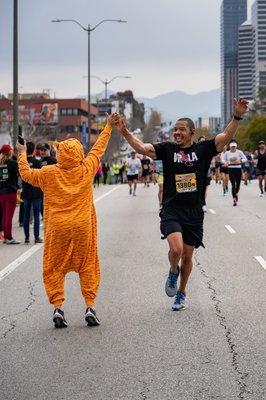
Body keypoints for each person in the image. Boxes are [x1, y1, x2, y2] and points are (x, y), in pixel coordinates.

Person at [117, 98, 248, 311]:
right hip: (172, 209)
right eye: (174, 129)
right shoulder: (167, 149)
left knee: (187, 257)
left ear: (191, 132)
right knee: (176, 250)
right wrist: (125, 132)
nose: (176, 133)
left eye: (181, 130)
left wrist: (237, 117)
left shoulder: (204, 149)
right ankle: (172, 271)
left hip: (194, 212)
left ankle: (182, 292)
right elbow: (142, 148)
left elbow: (225, 137)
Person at [17, 113, 119, 328]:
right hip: (83, 226)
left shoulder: (48, 172)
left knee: (54, 267)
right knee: (88, 264)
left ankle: (58, 308)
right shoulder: (87, 168)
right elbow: (99, 148)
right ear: (79, 154)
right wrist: (108, 126)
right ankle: (90, 306)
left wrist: (21, 152)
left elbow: (25, 174)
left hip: (58, 227)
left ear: (61, 154)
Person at [22, 142, 43, 244]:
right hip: (36, 192)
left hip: (26, 192)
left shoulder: (23, 162)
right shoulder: (37, 162)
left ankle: (26, 237)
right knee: (36, 215)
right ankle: (36, 237)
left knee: (26, 215)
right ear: (34, 150)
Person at [0, 144, 20, 244]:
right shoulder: (13, 163)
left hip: (1, 192)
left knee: (4, 215)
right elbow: (20, 174)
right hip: (10, 192)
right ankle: (9, 237)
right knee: (9, 216)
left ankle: (5, 236)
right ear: (10, 152)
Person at [221, 141, 247, 206]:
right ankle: (234, 199)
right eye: (232, 147)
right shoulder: (227, 153)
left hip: (238, 168)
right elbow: (223, 159)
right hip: (231, 169)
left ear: (236, 146)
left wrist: (240, 160)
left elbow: (245, 159)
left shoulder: (239, 152)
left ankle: (236, 194)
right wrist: (225, 162)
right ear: (230, 147)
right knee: (233, 184)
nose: (233, 148)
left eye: (234, 147)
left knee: (238, 185)